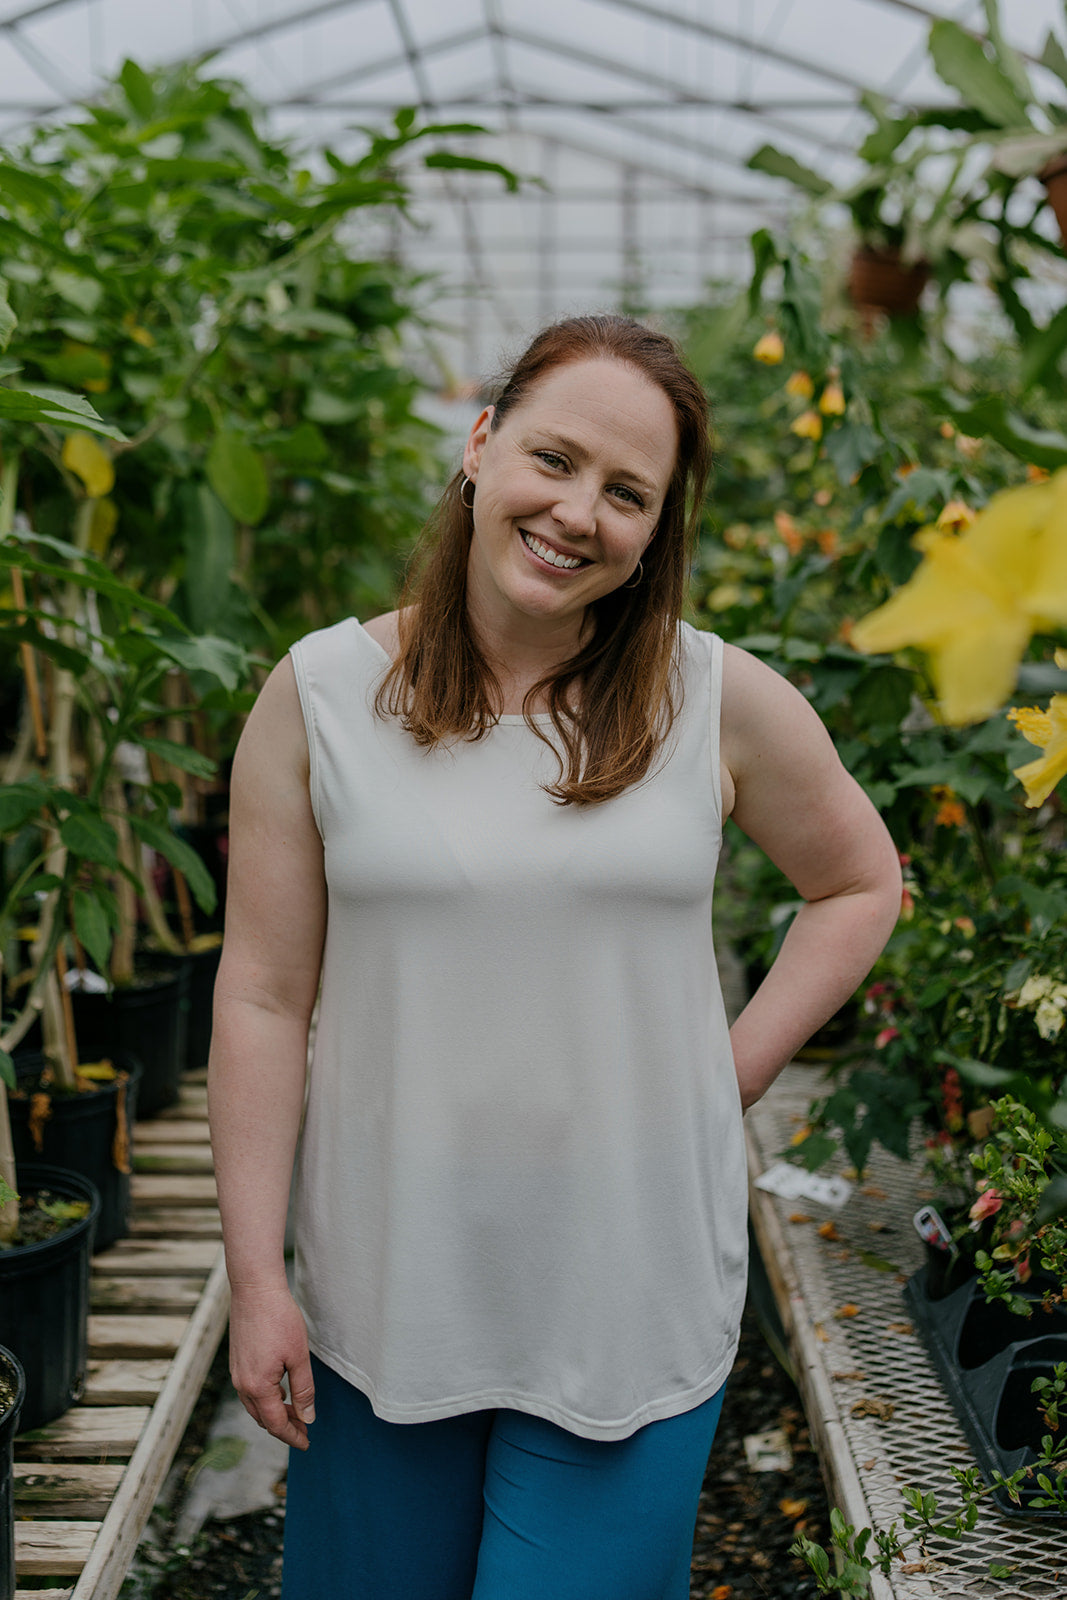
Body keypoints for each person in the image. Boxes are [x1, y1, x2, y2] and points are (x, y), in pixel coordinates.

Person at [208, 313, 902, 1600]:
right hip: (387, 1289)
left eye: (627, 492)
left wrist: (728, 1067)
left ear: (655, 532)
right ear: (479, 446)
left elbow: (859, 882)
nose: (578, 511)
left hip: (625, 1290)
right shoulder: (318, 700)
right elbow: (260, 994)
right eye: (554, 458)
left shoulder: (714, 699)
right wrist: (258, 1278)